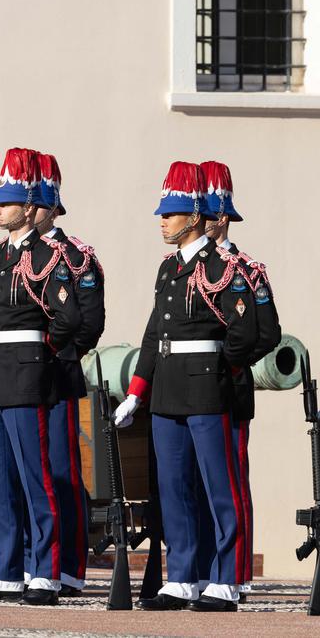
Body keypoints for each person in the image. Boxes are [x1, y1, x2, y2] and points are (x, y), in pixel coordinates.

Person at [115, 162, 258, 612]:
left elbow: (248, 332)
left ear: (194, 218)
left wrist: (220, 367)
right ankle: (182, 578)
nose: (162, 220)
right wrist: (137, 390)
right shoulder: (167, 270)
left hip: (207, 390)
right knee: (173, 487)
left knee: (220, 488)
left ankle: (226, 579)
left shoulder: (225, 266)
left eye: (171, 214)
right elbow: (154, 332)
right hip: (168, 392)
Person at [0, 147, 80, 606]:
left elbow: (69, 317)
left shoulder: (50, 255)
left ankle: (44, 570)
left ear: (28, 208)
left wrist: (39, 347)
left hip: (28, 375)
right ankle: (4, 568)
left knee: (36, 476)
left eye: (5, 202)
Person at [194, 160, 281, 601]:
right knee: (200, 482)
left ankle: (237, 573)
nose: (200, 223)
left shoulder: (246, 268)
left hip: (230, 388)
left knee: (231, 482)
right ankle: (206, 568)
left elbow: (267, 333)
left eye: (206, 215)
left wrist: (229, 362)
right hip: (193, 393)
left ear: (222, 217)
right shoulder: (187, 266)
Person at [29, 153, 105, 597]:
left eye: (38, 203)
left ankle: (70, 566)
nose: (32, 210)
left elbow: (89, 323)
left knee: (61, 471)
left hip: (55, 375)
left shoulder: (76, 257)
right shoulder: (8, 255)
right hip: (15, 378)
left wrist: (54, 351)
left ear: (54, 206)